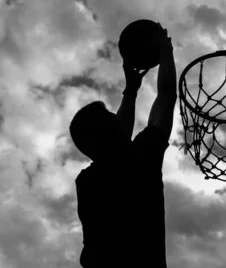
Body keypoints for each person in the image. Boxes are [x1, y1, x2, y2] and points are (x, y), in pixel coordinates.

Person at [70, 23, 176, 268]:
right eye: (111, 118)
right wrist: (165, 51)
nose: (117, 120)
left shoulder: (87, 182)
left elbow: (113, 139)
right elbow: (166, 98)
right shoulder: (139, 160)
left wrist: (131, 92)